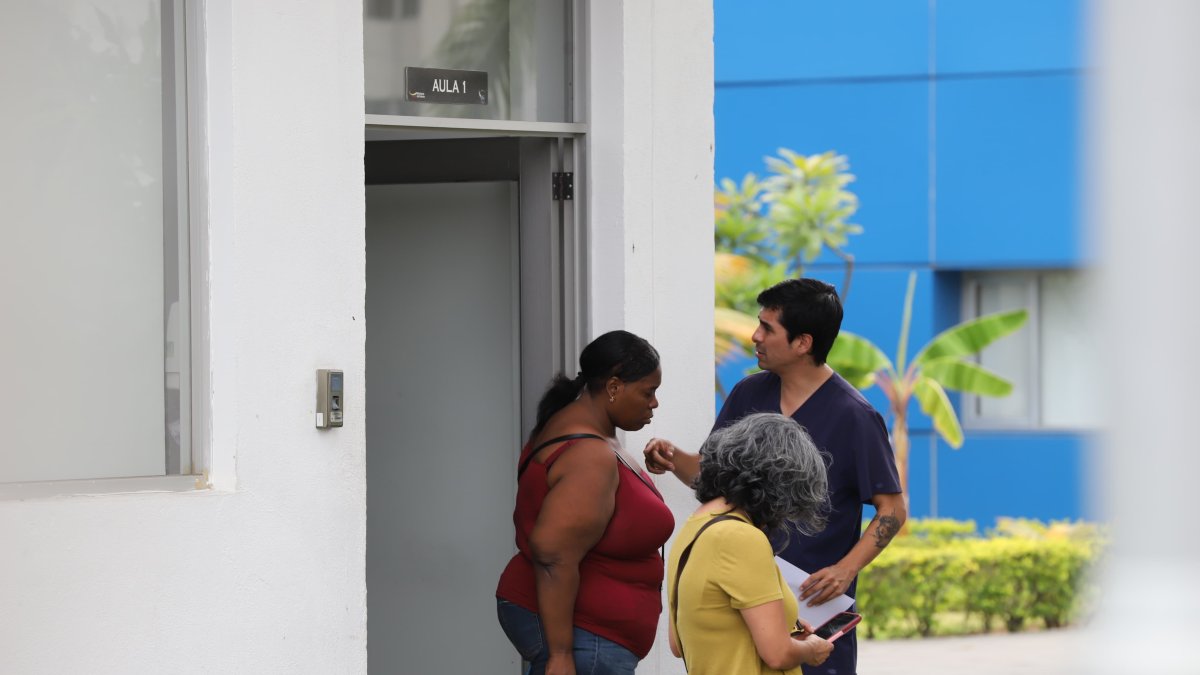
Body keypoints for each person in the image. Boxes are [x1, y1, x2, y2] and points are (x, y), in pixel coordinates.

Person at [646, 278, 906, 675]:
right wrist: (673, 458)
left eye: (768, 328)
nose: (755, 336)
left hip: (811, 614)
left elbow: (892, 510)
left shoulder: (857, 416)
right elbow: (713, 476)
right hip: (738, 605)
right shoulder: (747, 394)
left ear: (803, 343)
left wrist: (846, 569)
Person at [496, 330, 675, 675]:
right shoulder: (588, 455)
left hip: (592, 638)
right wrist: (561, 656)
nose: (653, 403)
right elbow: (553, 555)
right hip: (585, 641)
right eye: (648, 392)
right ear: (613, 387)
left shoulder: (585, 432)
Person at [667, 412, 835, 674]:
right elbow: (778, 655)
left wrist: (784, 625)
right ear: (778, 483)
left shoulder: (693, 529)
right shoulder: (741, 537)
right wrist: (812, 649)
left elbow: (677, 644)